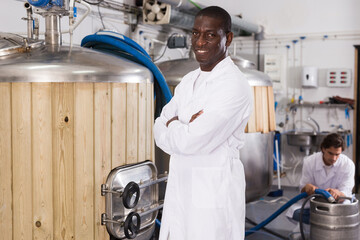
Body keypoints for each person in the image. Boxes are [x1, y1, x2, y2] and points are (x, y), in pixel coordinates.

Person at [153, 6, 253, 240]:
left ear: (227, 38)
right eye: (195, 33)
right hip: (181, 187)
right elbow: (158, 127)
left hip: (213, 192)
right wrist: (181, 126)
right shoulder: (189, 81)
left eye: (210, 35)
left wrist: (175, 124)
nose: (199, 41)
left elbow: (190, 141)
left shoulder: (233, 86)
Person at [287, 133, 355, 224]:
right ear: (323, 149)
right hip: (315, 205)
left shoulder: (348, 164)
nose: (334, 158)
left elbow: (346, 192)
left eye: (337, 154)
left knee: (347, 216)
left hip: (338, 207)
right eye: (330, 153)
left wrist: (338, 193)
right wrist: (307, 188)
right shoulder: (310, 161)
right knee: (296, 213)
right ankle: (316, 228)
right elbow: (303, 190)